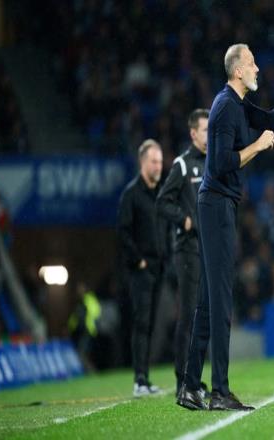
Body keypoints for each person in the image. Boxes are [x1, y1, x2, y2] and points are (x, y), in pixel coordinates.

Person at [177, 43, 274, 411]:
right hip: (215, 204)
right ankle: (219, 391)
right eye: (252, 63)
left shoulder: (237, 104)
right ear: (238, 71)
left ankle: (190, 387)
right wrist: (256, 147)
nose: (258, 68)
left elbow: (271, 121)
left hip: (219, 204)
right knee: (221, 300)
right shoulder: (226, 106)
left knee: (209, 300)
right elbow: (221, 163)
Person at [156, 108, 210, 396]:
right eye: (205, 131)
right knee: (189, 315)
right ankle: (182, 381)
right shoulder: (182, 165)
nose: (210, 135)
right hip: (187, 250)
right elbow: (162, 202)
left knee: (203, 317)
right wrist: (185, 220)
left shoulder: (212, 162)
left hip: (207, 250)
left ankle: (194, 378)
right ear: (193, 133)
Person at [118, 139, 168, 397]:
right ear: (142, 162)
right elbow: (123, 233)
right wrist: (139, 260)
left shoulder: (160, 193)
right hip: (141, 270)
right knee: (141, 323)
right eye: (153, 161)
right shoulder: (131, 194)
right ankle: (139, 379)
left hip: (158, 268)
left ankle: (145, 379)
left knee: (150, 325)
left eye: (160, 161)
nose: (158, 166)